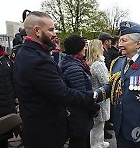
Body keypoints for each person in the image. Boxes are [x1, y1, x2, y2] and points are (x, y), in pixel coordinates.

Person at [13, 11, 99, 148]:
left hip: (36, 126)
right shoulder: (38, 60)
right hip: (45, 132)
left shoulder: (26, 52)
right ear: (37, 31)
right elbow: (62, 94)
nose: (54, 34)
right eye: (51, 30)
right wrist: (92, 96)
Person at [60, 34, 99, 148]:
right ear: (78, 48)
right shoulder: (74, 68)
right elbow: (81, 96)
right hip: (78, 116)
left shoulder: (74, 63)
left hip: (77, 114)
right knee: (79, 143)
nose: (86, 48)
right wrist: (95, 107)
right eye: (84, 46)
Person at [86, 39, 110, 148]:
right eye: (101, 47)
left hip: (98, 95)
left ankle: (100, 142)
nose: (103, 48)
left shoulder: (93, 63)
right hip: (100, 97)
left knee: (100, 124)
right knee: (98, 125)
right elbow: (106, 82)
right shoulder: (98, 64)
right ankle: (95, 145)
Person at [0, 30, 16, 148]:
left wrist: (15, 95)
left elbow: (12, 78)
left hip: (7, 105)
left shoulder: (5, 57)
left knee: (4, 137)